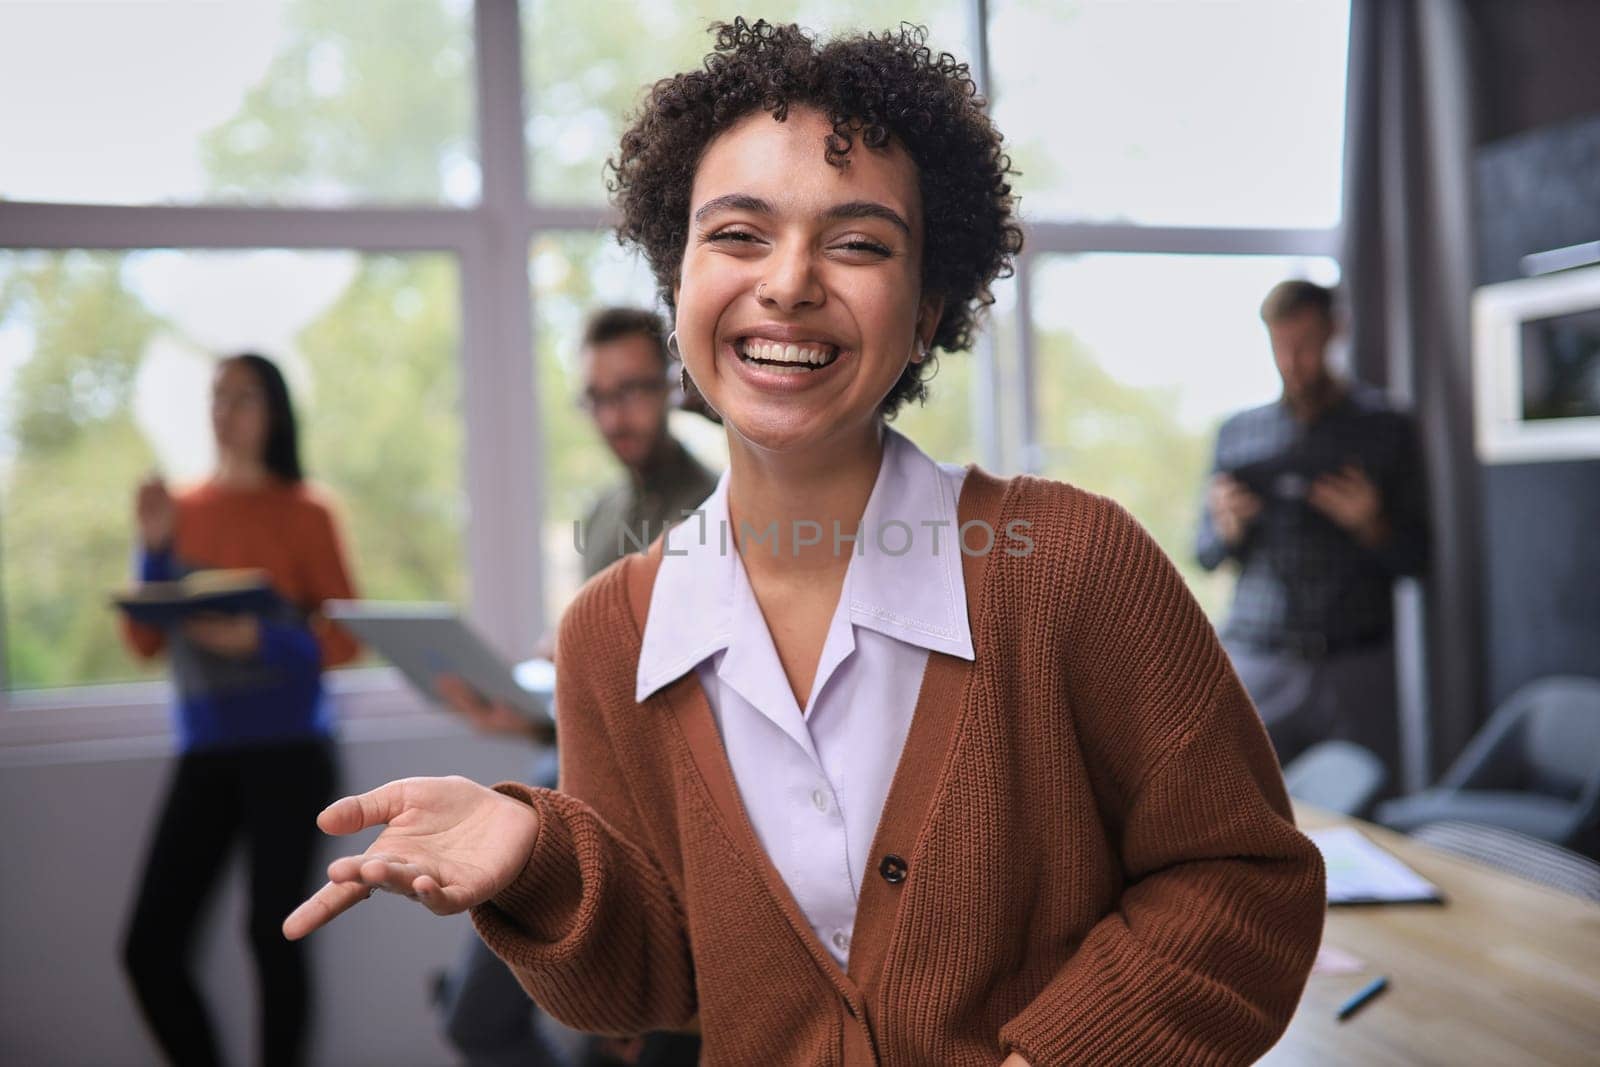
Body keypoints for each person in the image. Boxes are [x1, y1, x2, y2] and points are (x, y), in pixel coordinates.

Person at [286, 20, 1325, 1066]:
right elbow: (657, 988)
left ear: (926, 311)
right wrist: (538, 859)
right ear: (676, 279)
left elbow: (1242, 883)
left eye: (858, 241)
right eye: (737, 234)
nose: (788, 281)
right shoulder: (611, 634)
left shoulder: (1070, 564)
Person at [435, 307, 712, 1067]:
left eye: (633, 389)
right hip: (563, 784)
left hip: (640, 820)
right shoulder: (601, 516)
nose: (616, 413)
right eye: (599, 395)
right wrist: (521, 712)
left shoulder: (719, 511)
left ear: (672, 387)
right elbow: (594, 696)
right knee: (477, 1019)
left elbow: (682, 711)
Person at [121, 352, 360, 1066]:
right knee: (148, 948)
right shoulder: (182, 510)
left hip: (291, 755)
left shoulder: (306, 511)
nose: (226, 411)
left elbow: (346, 637)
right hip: (206, 753)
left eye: (244, 397)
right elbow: (142, 639)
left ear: (275, 412)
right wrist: (156, 549)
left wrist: (266, 638)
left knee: (273, 932)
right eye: (217, 397)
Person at [1197, 280, 1429, 784]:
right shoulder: (1238, 432)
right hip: (1259, 658)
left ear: (1334, 334)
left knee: (1366, 811)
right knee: (1243, 805)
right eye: (1280, 346)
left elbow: (1418, 558)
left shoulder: (1387, 426)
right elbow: (1205, 554)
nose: (1292, 361)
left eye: (1304, 344)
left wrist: (1372, 523)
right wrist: (1227, 526)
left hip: (1354, 664)